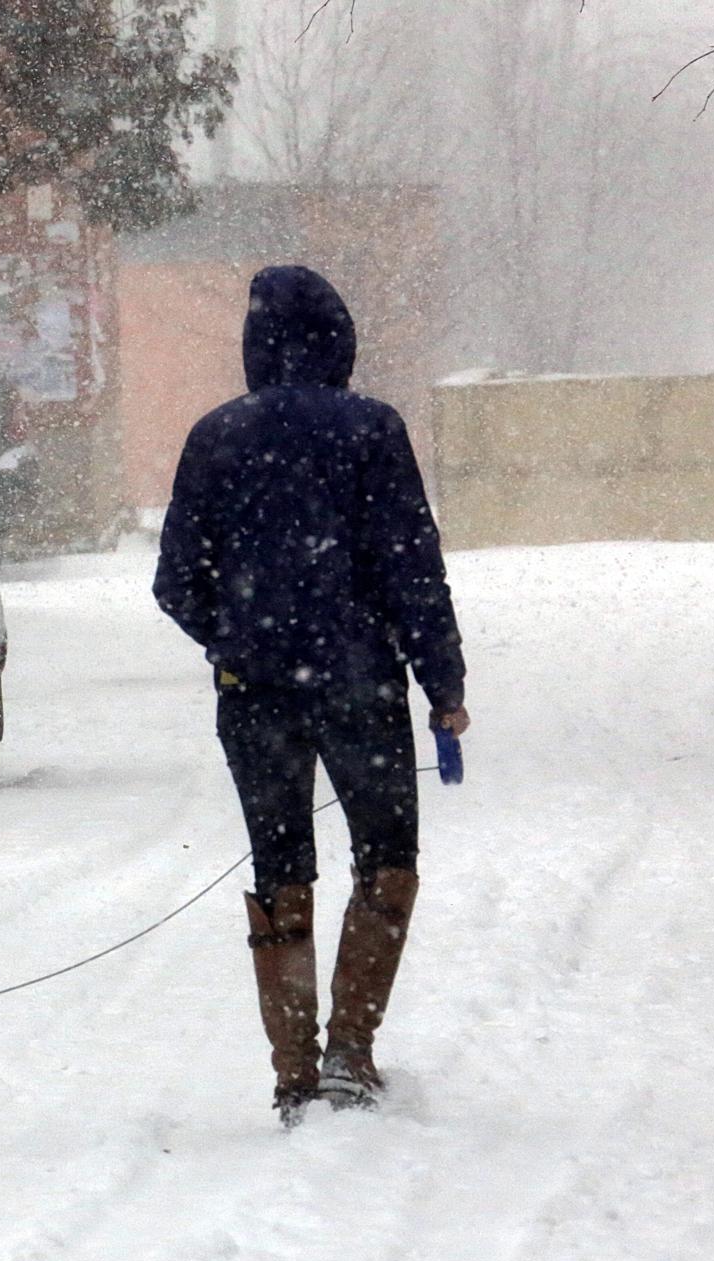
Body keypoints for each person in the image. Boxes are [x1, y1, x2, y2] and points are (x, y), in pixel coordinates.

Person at [152, 265, 468, 1127]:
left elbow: (176, 580)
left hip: (253, 697)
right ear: (341, 341)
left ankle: (294, 1074)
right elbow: (413, 568)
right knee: (386, 859)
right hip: (361, 685)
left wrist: (237, 640)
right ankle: (349, 1054)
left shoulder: (215, 435)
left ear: (255, 346)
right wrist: (442, 683)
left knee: (280, 868)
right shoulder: (372, 430)